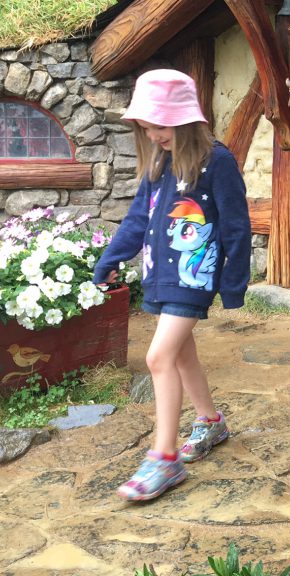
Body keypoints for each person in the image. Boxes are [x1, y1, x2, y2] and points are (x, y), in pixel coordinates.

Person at [93, 69, 250, 501]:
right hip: (159, 276)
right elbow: (138, 219)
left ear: (183, 118)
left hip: (192, 277)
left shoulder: (217, 161)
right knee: (181, 355)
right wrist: (111, 257)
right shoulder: (158, 164)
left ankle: (164, 458)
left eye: (159, 125)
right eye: (146, 126)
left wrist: (234, 282)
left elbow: (236, 225)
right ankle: (210, 420)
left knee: (158, 355)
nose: (153, 134)